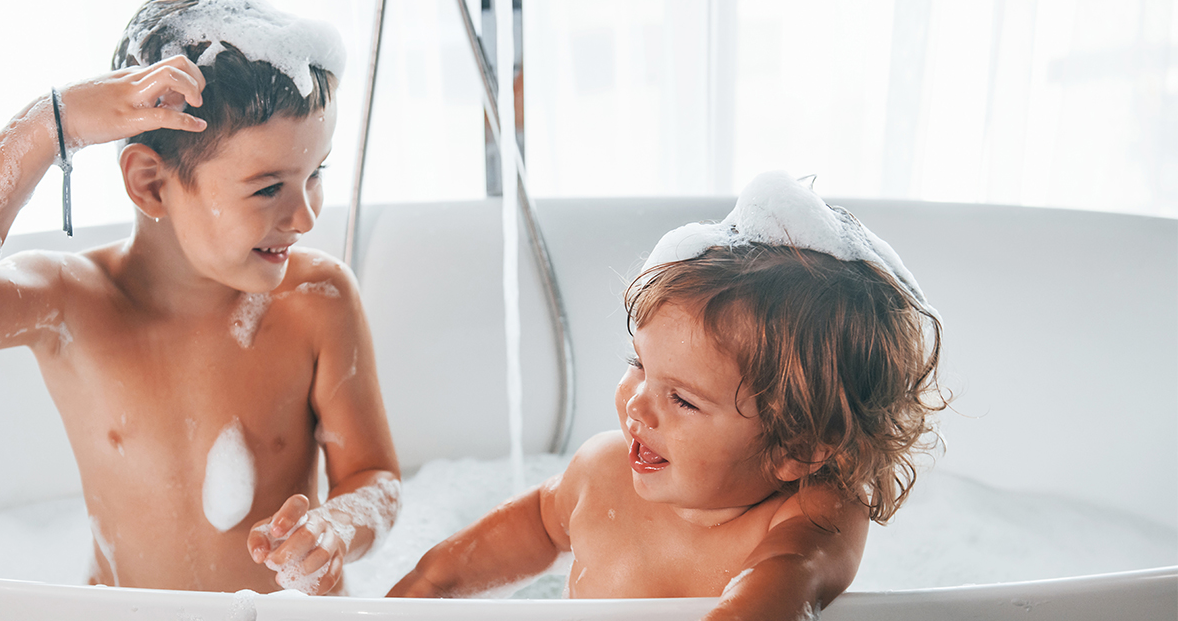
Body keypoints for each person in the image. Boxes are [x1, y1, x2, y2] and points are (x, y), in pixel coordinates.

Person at [0, 0, 399, 595]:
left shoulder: (317, 299)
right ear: (151, 184)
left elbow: (374, 477)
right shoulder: (70, 303)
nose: (306, 216)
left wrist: (336, 527)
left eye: (316, 174)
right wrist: (52, 123)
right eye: (267, 188)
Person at [388, 172, 946, 619]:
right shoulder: (601, 473)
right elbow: (513, 538)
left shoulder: (811, 516)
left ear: (794, 447)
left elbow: (780, 585)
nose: (637, 406)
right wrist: (419, 593)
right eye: (638, 365)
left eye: (682, 400)